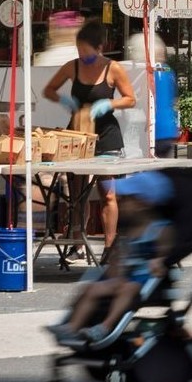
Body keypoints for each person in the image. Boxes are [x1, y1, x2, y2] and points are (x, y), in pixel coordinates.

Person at [48, 170, 174, 346]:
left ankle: (104, 327)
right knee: (92, 288)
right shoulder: (130, 230)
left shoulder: (160, 230)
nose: (121, 202)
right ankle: (72, 327)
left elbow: (166, 253)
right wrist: (116, 262)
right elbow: (121, 256)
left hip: (144, 281)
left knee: (128, 289)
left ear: (142, 203)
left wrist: (160, 259)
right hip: (124, 277)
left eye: (127, 199)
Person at [44, 20, 136, 250]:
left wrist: (109, 103)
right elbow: (49, 89)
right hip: (77, 136)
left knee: (108, 195)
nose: (82, 56)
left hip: (107, 137)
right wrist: (64, 100)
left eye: (87, 52)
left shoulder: (113, 68)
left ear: (99, 48)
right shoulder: (71, 67)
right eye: (79, 51)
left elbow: (130, 99)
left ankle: (109, 246)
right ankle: (77, 242)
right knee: (77, 195)